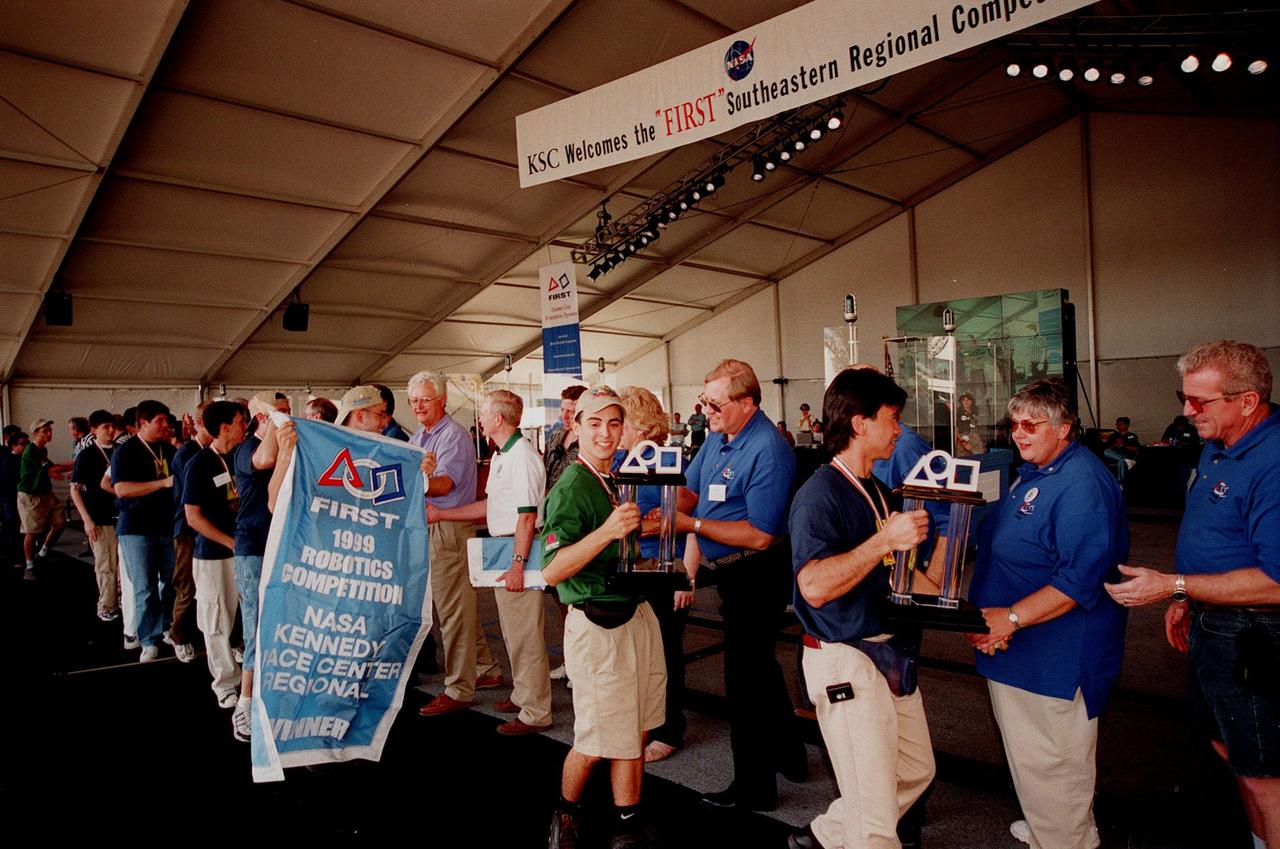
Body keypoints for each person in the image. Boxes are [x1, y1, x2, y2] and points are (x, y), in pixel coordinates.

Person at [1104, 340, 1280, 849]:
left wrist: (1173, 585)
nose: (1186, 411)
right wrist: (1188, 598)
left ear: (1247, 401)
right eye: (1184, 397)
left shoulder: (1271, 459)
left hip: (1253, 633)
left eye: (1200, 402)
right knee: (1232, 750)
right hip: (1215, 620)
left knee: (1264, 768)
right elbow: (1214, 535)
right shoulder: (1218, 445)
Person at [968, 378, 1127, 849]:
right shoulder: (1038, 470)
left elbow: (1079, 580)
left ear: (1064, 428)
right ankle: (1055, 827)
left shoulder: (1081, 483)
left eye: (1031, 425)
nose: (1019, 434)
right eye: (1014, 424)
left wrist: (1009, 618)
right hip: (1020, 650)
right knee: (1037, 764)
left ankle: (1063, 838)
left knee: (1055, 762)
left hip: (1053, 657)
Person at [787, 367, 934, 849]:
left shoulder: (875, 489)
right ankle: (847, 833)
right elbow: (812, 586)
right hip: (843, 655)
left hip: (886, 653)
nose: (898, 430)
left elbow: (897, 570)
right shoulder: (818, 495)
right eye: (891, 419)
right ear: (858, 423)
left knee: (915, 770)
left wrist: (958, 600)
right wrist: (883, 540)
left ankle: (828, 834)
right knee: (875, 823)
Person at [541, 385, 665, 849]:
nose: (606, 433)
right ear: (575, 428)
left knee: (636, 727)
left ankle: (627, 822)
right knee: (595, 738)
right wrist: (609, 532)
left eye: (614, 423)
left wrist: (639, 528)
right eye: (594, 423)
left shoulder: (610, 475)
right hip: (597, 624)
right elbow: (552, 569)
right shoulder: (572, 485)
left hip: (632, 613)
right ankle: (565, 816)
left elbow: (612, 540)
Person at [678, 359, 804, 812]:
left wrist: (690, 522)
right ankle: (792, 755)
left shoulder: (768, 448)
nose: (705, 410)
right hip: (730, 571)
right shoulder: (718, 438)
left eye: (714, 403)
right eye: (704, 400)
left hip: (757, 572)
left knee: (745, 683)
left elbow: (760, 533)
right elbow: (688, 491)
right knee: (761, 670)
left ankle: (756, 788)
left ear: (746, 403)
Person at [428, 390, 553, 736]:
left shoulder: (522, 458)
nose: (479, 419)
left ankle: (535, 711)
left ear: (498, 418)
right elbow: (490, 507)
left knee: (525, 634)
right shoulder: (504, 455)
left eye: (482, 414)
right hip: (505, 545)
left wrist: (517, 565)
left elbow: (527, 519)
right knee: (514, 632)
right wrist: (442, 513)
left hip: (518, 549)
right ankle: (524, 694)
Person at [410, 372, 505, 718]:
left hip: (449, 526)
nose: (418, 406)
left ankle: (458, 688)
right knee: (458, 606)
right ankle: (486, 668)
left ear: (442, 401)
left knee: (451, 611)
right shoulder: (421, 435)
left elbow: (443, 484)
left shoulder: (452, 437)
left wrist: (411, 479)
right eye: (414, 400)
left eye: (425, 399)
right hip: (433, 525)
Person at [615, 386, 697, 763]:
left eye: (621, 422)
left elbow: (686, 517)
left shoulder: (664, 461)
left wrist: (689, 576)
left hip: (661, 568)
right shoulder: (622, 459)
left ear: (640, 425)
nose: (615, 430)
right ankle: (645, 720)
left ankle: (670, 730)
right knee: (640, 654)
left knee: (665, 654)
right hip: (631, 567)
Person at [183, 401, 247, 709]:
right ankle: (225, 683)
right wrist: (229, 542)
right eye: (240, 421)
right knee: (217, 619)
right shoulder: (199, 464)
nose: (244, 426)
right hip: (213, 556)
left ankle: (244, 672)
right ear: (224, 428)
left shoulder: (241, 456)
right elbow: (193, 517)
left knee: (244, 616)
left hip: (243, 551)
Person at [110, 400, 178, 662]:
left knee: (171, 582)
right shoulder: (125, 452)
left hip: (167, 526)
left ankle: (166, 626)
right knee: (144, 586)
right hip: (136, 528)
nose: (165, 426)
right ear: (143, 423)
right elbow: (121, 488)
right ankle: (148, 639)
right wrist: (161, 483)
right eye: (159, 421)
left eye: (166, 421)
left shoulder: (169, 451)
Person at [169, 403, 210, 664]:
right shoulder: (187, 454)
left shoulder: (220, 452)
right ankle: (179, 635)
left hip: (212, 529)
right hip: (187, 529)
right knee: (187, 584)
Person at [69, 410, 120, 621]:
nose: (110, 430)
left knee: (121, 564)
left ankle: (120, 599)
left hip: (121, 516)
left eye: (111, 426)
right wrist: (86, 519)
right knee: (105, 563)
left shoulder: (120, 451)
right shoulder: (87, 455)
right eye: (104, 427)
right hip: (99, 517)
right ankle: (106, 605)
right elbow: (75, 489)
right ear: (93, 430)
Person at [16, 418, 71, 580]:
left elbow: (50, 469)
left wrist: (56, 472)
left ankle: (44, 550)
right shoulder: (31, 451)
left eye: (50, 430)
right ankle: (29, 565)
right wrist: (77, 463)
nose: (49, 433)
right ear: (35, 433)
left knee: (60, 522)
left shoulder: (42, 451)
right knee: (31, 531)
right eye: (45, 431)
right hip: (31, 495)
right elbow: (52, 468)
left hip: (46, 493)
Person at [545, 384, 588, 493]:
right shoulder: (556, 435)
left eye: (570, 411)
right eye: (562, 410)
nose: (564, 416)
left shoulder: (589, 442)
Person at [2, 431, 29, 569]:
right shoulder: (10, 461)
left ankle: (24, 556)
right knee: (14, 529)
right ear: (13, 446)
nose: (26, 446)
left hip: (21, 499)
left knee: (22, 529)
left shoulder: (25, 458)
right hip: (11, 500)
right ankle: (16, 558)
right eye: (22, 444)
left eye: (27, 443)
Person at [1103, 416, 1140, 484]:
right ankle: (1123, 459)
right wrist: (1115, 445)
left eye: (1121, 424)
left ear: (1126, 425)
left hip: (1128, 455)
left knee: (1121, 462)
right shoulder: (1113, 436)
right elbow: (1107, 450)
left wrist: (1124, 446)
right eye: (1117, 424)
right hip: (1115, 456)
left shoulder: (1132, 436)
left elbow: (1137, 448)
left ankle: (1121, 482)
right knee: (1106, 452)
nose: (1118, 426)